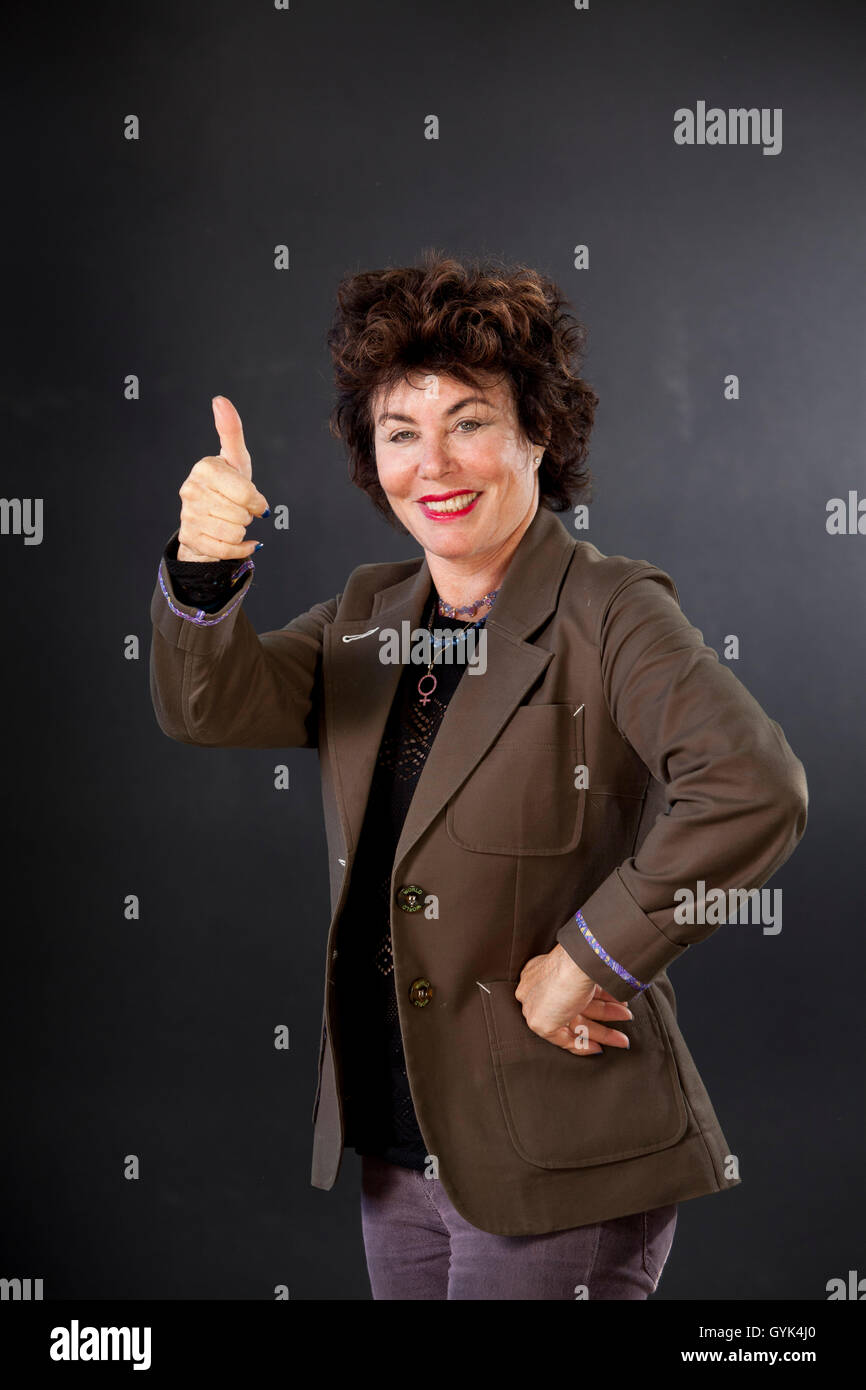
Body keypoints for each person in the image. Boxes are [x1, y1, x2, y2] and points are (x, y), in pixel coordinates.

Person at [149, 252, 808, 1300]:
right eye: (400, 432)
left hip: (558, 1149)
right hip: (399, 1140)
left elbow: (752, 785)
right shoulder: (368, 616)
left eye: (470, 421)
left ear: (538, 432)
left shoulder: (611, 609)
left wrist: (590, 956)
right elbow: (208, 706)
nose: (434, 463)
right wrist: (202, 566)